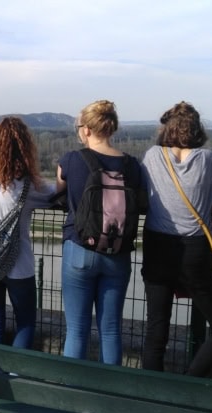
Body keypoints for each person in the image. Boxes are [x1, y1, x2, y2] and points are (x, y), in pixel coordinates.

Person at [141, 101, 212, 377]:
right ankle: (188, 382)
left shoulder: (151, 156)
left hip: (157, 247)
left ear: (166, 129)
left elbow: (144, 197)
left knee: (156, 329)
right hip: (194, 252)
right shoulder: (207, 159)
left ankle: (152, 396)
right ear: (197, 130)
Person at [56, 100, 145, 365]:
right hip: (118, 254)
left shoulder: (71, 160)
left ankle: (73, 394)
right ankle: (110, 397)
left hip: (79, 250)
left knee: (77, 330)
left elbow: (59, 190)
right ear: (112, 128)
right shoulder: (132, 166)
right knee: (110, 330)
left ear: (86, 130)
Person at [0, 117, 55, 349]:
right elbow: (56, 193)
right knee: (26, 323)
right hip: (19, 263)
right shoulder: (31, 187)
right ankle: (16, 376)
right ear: (25, 148)